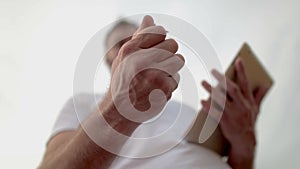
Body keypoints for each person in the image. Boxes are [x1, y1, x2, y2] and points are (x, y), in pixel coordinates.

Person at [38, 15, 269, 169]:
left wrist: (244, 146)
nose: (136, 47)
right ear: (110, 59)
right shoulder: (83, 104)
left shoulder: (186, 111)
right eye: (123, 44)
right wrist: (120, 110)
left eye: (141, 39)